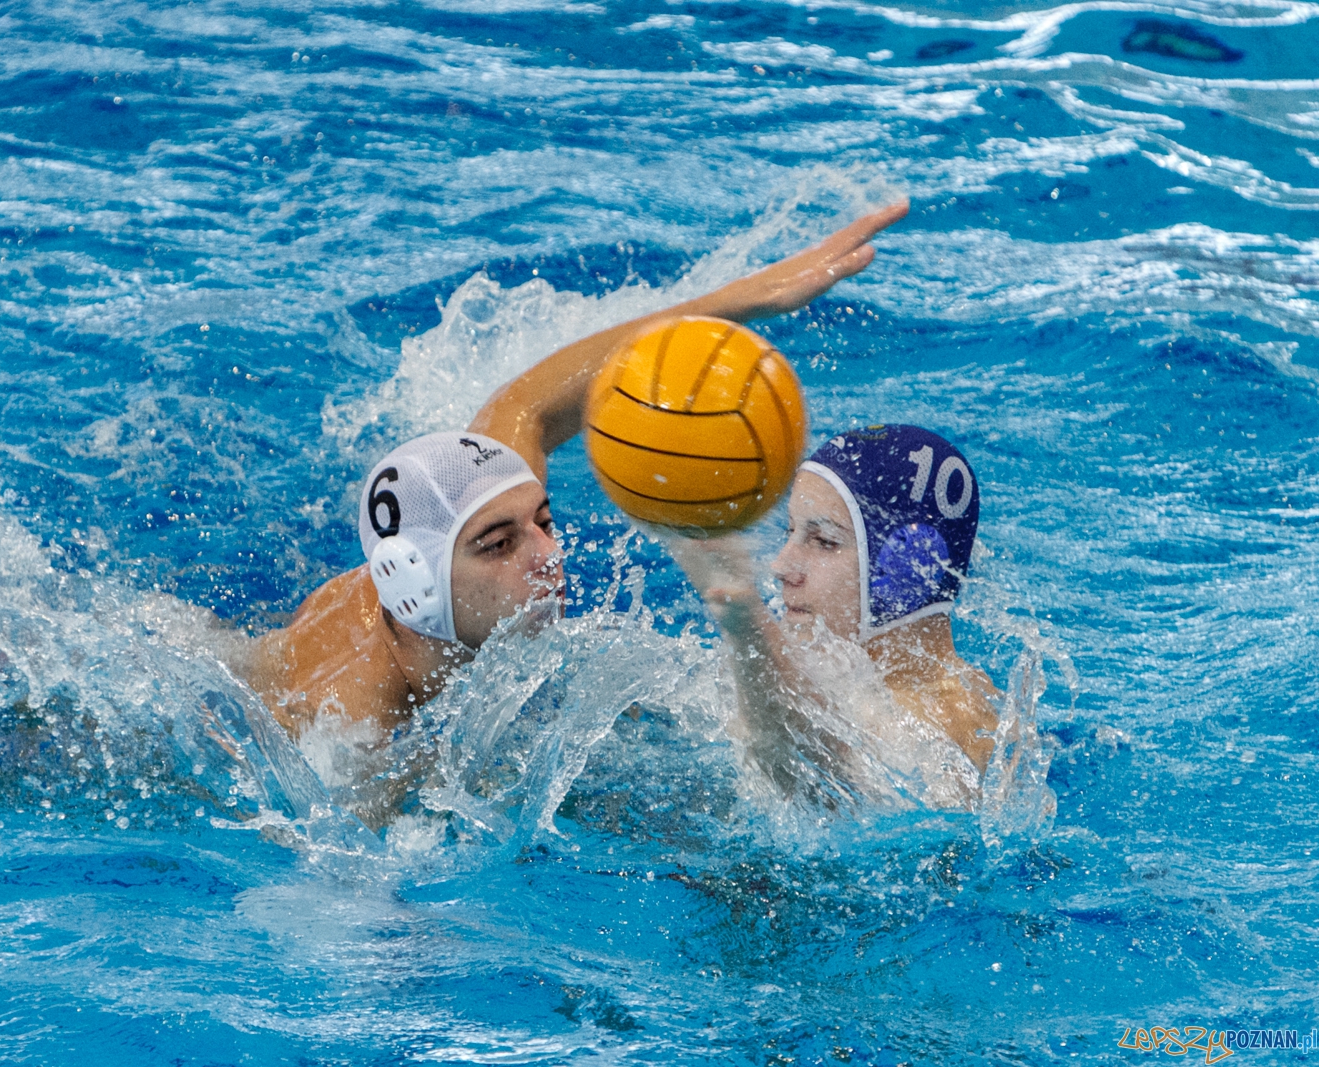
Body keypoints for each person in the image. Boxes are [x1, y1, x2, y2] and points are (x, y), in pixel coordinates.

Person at [161, 202, 911, 744]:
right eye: (498, 544)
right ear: (417, 583)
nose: (548, 554)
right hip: (198, 693)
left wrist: (744, 301)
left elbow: (528, 399)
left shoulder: (468, 509)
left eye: (543, 521)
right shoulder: (351, 724)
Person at [662, 424, 998, 809]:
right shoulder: (864, 672)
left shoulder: (942, 725)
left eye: (824, 541)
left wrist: (743, 617)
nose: (781, 566)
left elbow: (803, 772)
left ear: (904, 568)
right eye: (790, 531)